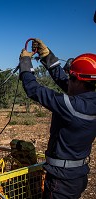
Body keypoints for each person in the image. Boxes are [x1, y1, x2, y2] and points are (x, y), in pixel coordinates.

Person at [18, 38, 96, 199]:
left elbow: (34, 90)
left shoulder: (71, 106)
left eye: (71, 78)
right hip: (77, 176)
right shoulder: (87, 102)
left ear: (78, 80)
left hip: (61, 181)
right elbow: (67, 83)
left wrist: (25, 62)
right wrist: (47, 57)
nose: (68, 81)